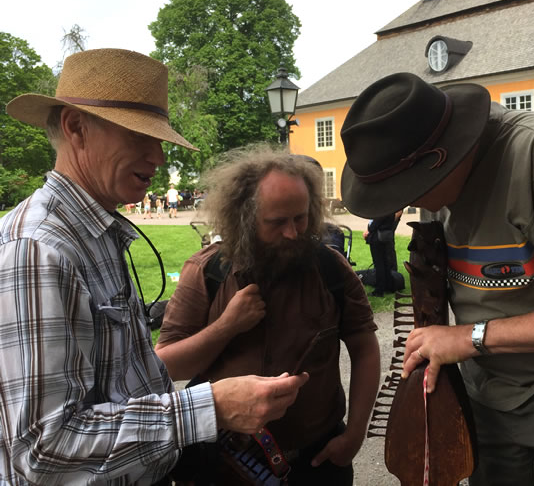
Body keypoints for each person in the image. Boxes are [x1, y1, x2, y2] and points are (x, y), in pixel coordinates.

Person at [0, 48, 308, 486]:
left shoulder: (95, 233)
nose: (159, 157)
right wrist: (209, 407)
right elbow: (43, 447)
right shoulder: (38, 250)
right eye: (139, 136)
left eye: (159, 139)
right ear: (76, 128)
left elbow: (125, 381)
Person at [339, 72, 534, 485]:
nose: (407, 202)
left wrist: (468, 338)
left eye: (408, 189)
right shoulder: (433, 180)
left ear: (441, 158)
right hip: (486, 390)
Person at [155, 145, 381, 485]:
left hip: (317, 462)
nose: (293, 233)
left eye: (301, 218)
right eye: (277, 222)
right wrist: (226, 326)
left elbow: (364, 347)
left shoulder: (331, 269)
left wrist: (354, 436)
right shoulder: (207, 272)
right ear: (244, 219)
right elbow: (167, 364)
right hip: (226, 467)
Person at [364, 212, 397, 297]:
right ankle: (389, 285)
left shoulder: (382, 209)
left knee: (379, 264)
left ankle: (379, 290)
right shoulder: (392, 208)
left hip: (377, 238)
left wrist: (369, 229)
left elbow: (375, 224)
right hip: (385, 237)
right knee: (385, 262)